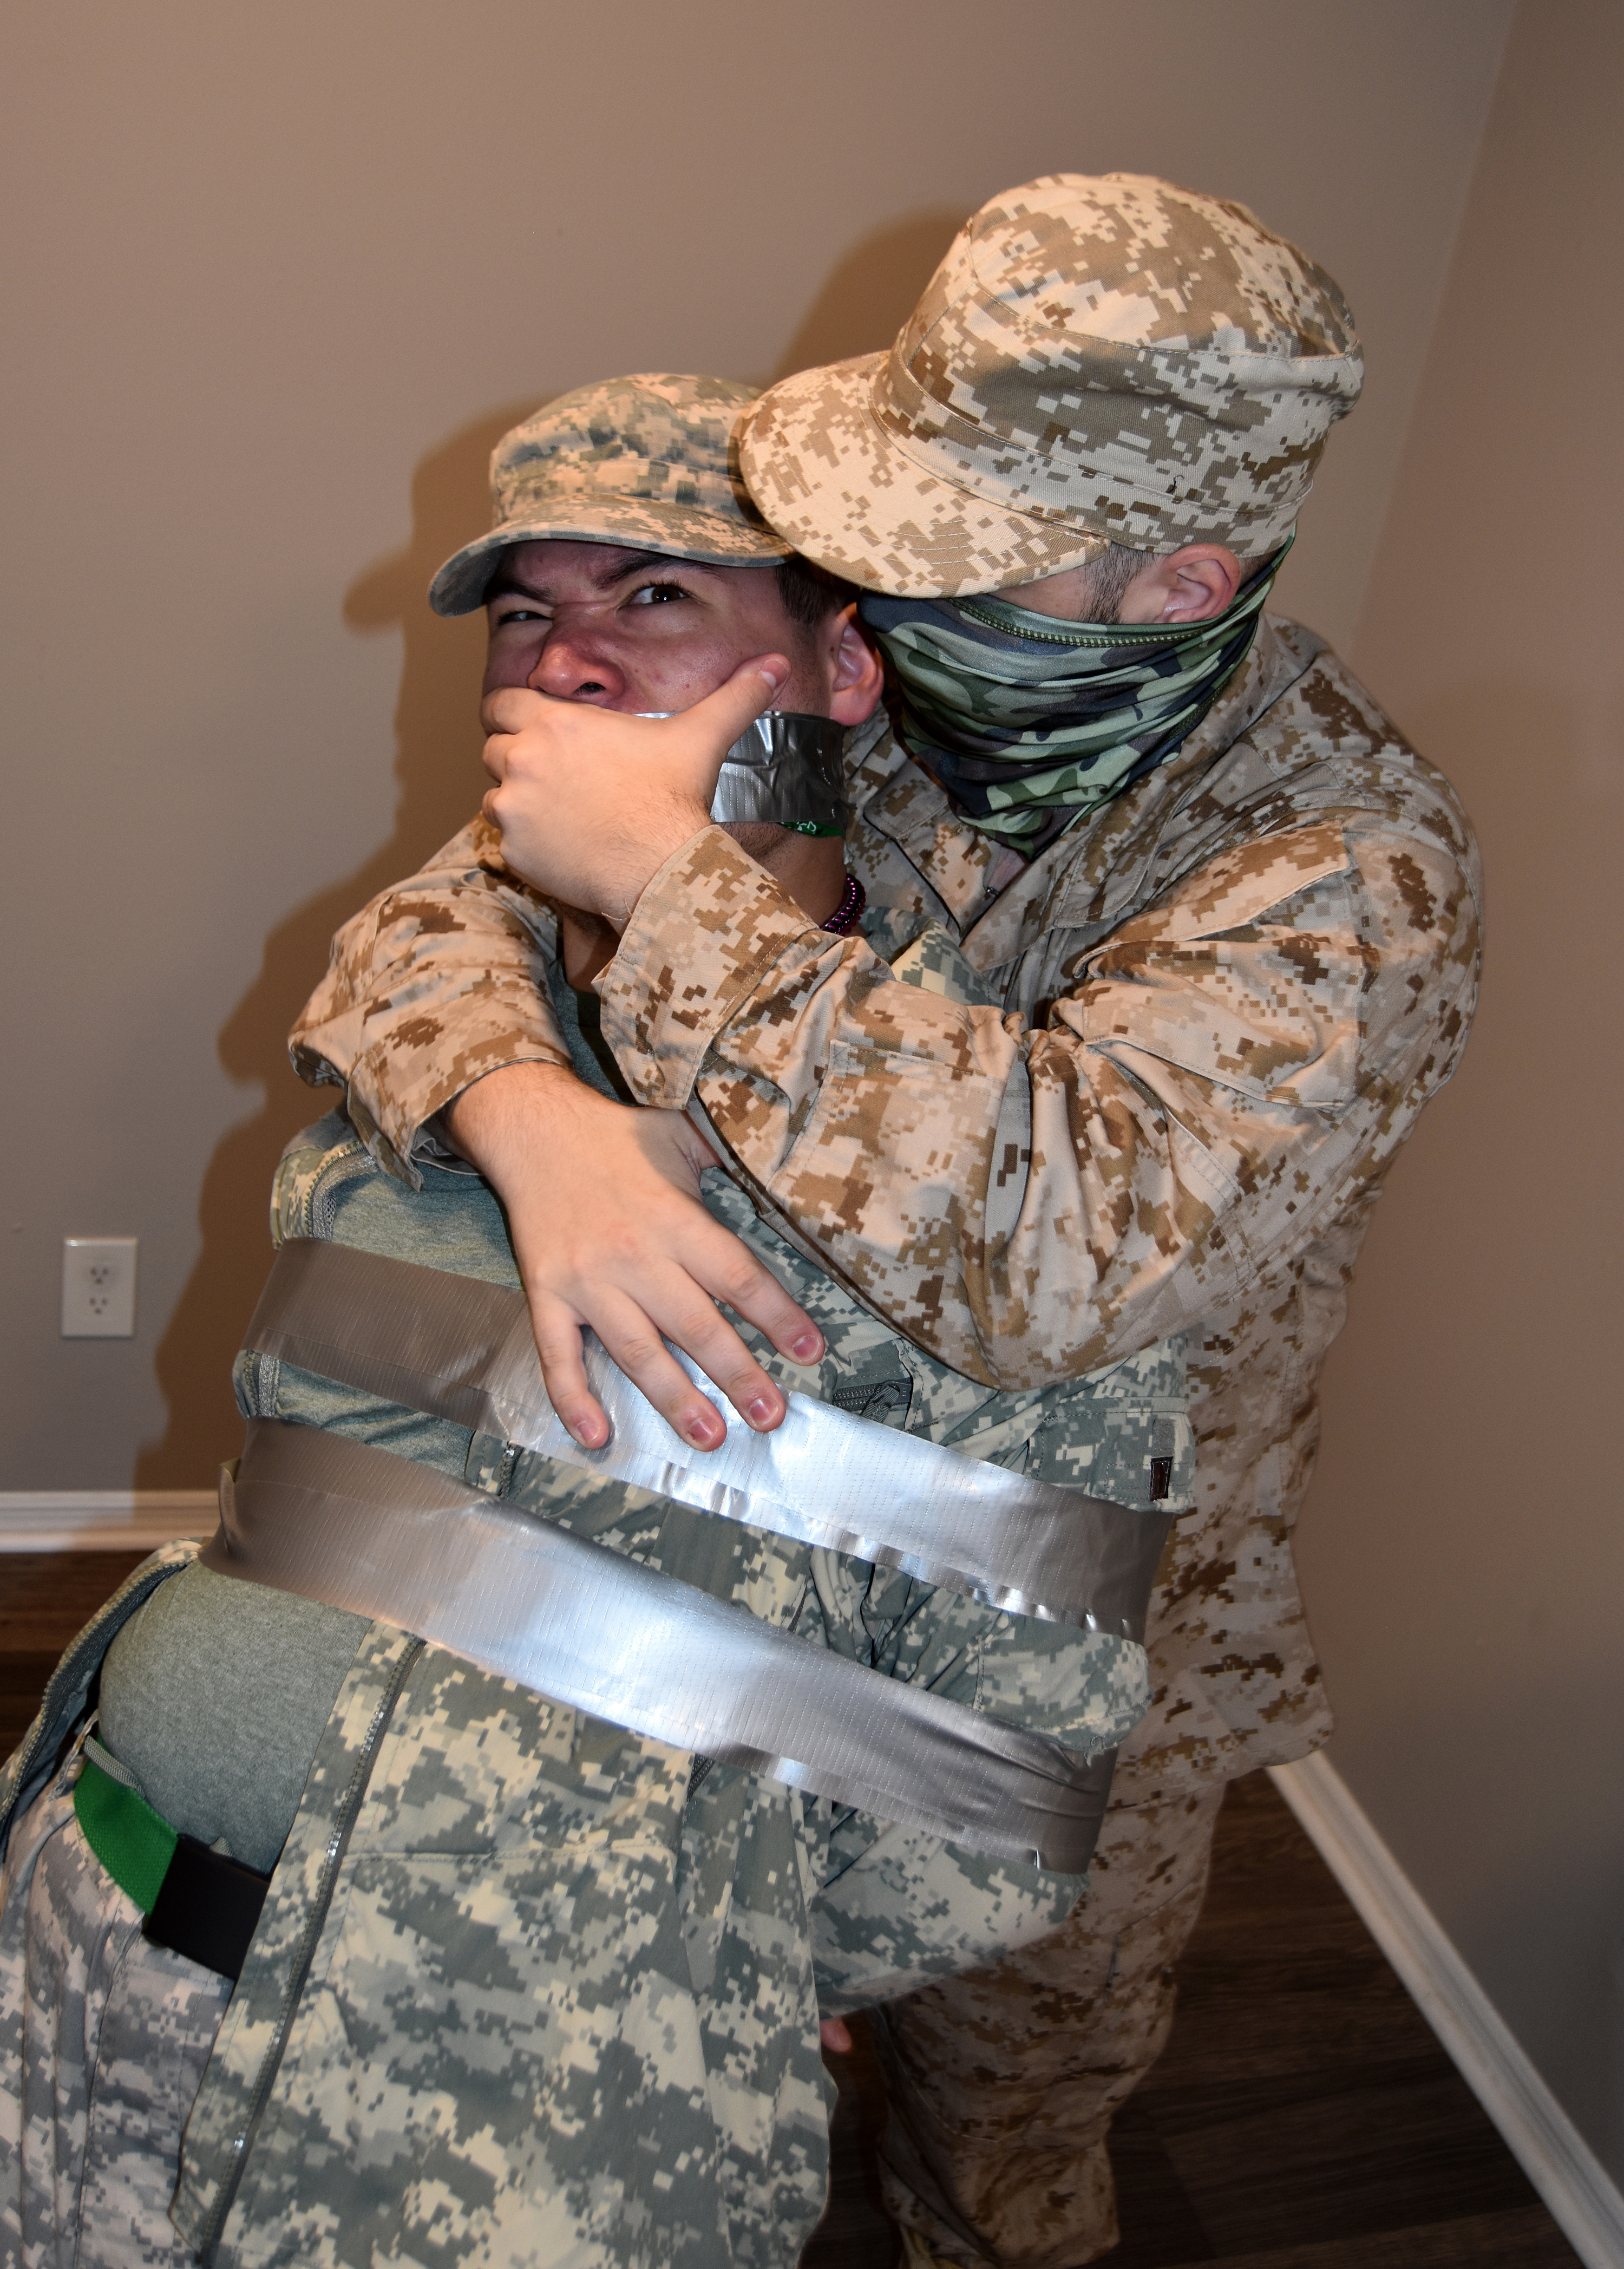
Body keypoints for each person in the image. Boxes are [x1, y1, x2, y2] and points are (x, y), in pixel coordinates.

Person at [296, 176, 1483, 2269]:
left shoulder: (1345, 874)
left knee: (1008, 2109)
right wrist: (534, 1120)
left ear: (1180, 581)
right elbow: (440, 921)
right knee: (690, 2006)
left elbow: (1056, 1253)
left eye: (959, 555)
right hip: (748, 1545)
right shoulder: (899, 701)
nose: (891, 593)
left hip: (1071, 1637)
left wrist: (671, 895)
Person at [0, 374, 1190, 2269]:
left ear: (845, 669)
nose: (566, 659)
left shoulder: (979, 1172)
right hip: (89, 1961)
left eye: (656, 597)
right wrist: (527, 1114)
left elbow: (1008, 1784)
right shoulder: (428, 1021)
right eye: (525, 612)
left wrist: (711, 1952)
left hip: (486, 2124)